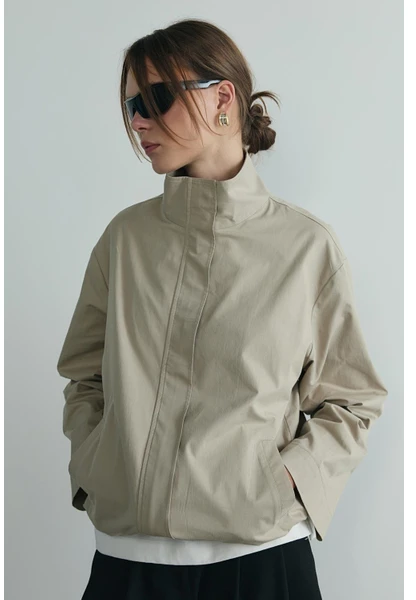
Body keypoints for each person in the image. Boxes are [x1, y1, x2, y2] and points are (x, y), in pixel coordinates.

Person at [56, 17, 388, 600]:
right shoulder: (125, 240)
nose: (138, 121)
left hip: (261, 564)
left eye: (156, 98)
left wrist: (284, 485)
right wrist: (97, 465)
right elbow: (84, 375)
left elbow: (351, 400)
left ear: (223, 99)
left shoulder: (306, 247)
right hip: (128, 566)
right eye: (132, 105)